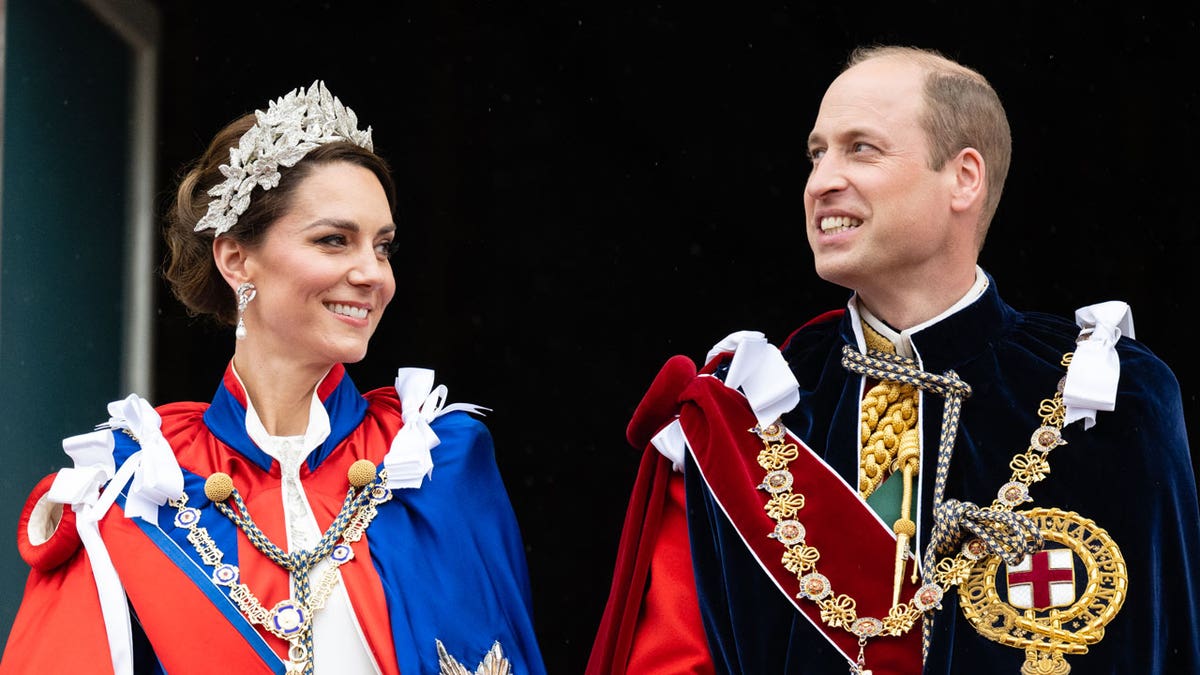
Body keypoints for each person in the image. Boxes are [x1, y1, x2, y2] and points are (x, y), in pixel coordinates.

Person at [586, 45, 1200, 674]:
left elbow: (1161, 647)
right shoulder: (748, 411)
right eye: (817, 153)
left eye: (862, 149)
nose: (822, 181)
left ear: (964, 177)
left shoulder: (1108, 395)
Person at [1, 81, 546, 675]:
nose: (372, 274)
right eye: (334, 240)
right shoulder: (134, 489)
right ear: (236, 259)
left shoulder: (437, 460)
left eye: (383, 247)